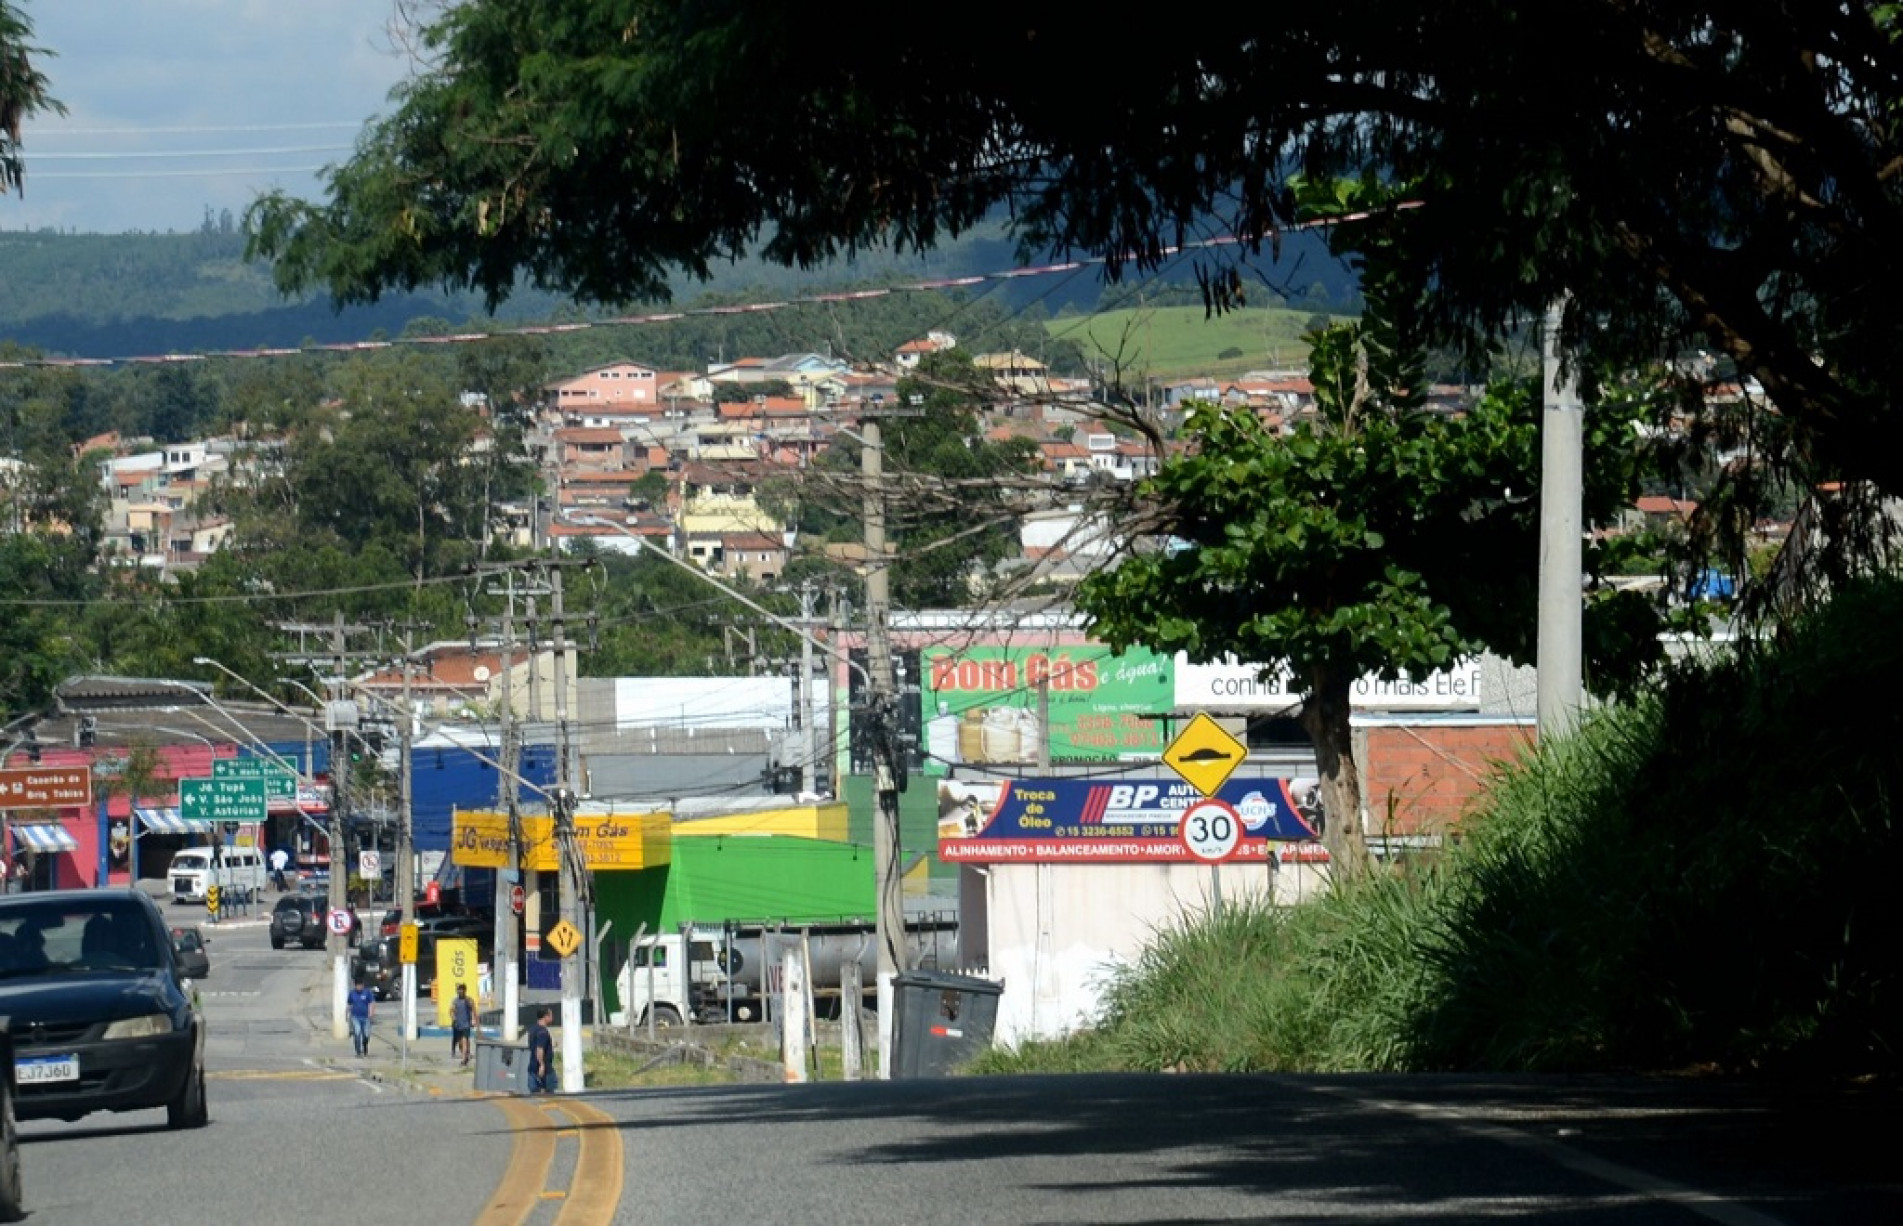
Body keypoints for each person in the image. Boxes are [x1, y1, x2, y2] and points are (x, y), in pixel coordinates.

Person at [526, 1007, 555, 1093]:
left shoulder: (533, 1029)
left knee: (534, 1095)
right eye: (551, 1015)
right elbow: (539, 1049)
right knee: (549, 1093)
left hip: (532, 1066)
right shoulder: (543, 1032)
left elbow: (535, 1046)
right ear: (545, 1017)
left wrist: (551, 1046)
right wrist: (542, 1065)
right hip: (543, 1069)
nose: (552, 1017)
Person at [347, 978, 376, 1057]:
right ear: (355, 986)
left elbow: (371, 1003)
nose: (359, 987)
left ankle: (365, 1046)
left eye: (360, 986)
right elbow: (349, 1004)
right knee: (357, 1032)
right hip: (355, 1017)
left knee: (366, 1035)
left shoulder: (367, 993)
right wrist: (347, 1014)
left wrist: (371, 1013)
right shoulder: (352, 994)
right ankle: (358, 1051)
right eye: (357, 986)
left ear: (363, 985)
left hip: (366, 1017)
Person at [450, 982, 476, 1066]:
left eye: (462, 990)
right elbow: (452, 1011)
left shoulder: (468, 1000)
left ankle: (464, 1059)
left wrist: (473, 1020)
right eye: (459, 990)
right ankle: (466, 1053)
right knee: (461, 1042)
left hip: (466, 1024)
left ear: (465, 991)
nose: (460, 991)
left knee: (465, 1040)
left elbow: (473, 1010)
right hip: (458, 1024)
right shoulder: (455, 1001)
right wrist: (453, 1017)